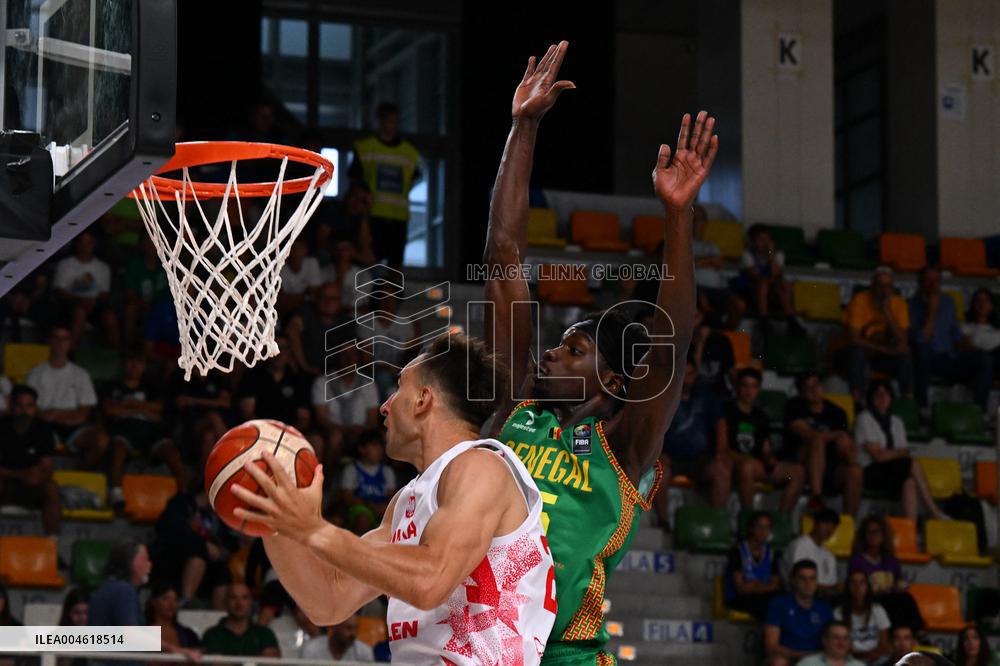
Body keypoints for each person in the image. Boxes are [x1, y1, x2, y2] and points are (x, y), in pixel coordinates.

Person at [483, 41, 716, 664]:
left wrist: (678, 218)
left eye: (574, 348)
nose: (552, 357)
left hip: (567, 654)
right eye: (558, 346)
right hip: (484, 644)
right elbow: (504, 256)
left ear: (612, 381)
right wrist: (523, 128)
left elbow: (671, 345)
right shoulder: (514, 411)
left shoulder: (627, 446)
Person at [233, 332, 557, 664]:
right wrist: (274, 518)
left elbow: (431, 581)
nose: (385, 406)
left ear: (423, 400)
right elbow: (328, 601)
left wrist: (315, 531)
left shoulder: (481, 466)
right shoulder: (406, 501)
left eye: (398, 388)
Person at [854, 381, 947, 520]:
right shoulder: (864, 418)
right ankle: (933, 511)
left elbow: (903, 452)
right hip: (869, 471)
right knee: (912, 464)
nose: (882, 397)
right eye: (878, 394)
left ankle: (911, 529)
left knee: (909, 482)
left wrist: (891, 453)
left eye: (885, 394)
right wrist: (897, 453)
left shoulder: (897, 421)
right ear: (871, 398)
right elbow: (878, 457)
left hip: (892, 470)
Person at [104, 351, 186, 508]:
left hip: (150, 429)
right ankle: (115, 492)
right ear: (123, 363)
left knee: (172, 451)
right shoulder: (112, 386)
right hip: (124, 428)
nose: (134, 366)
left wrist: (127, 406)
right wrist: (143, 410)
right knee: (118, 448)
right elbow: (109, 410)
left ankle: (183, 493)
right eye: (130, 361)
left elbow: (159, 410)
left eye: (139, 362)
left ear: (144, 366)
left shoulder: (152, 387)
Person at [655, 354, 731, 517]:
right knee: (659, 471)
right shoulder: (663, 397)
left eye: (690, 375)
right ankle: (663, 522)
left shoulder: (706, 396)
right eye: (683, 375)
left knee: (721, 471)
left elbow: (721, 425)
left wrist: (720, 453)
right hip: (670, 458)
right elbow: (652, 428)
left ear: (695, 374)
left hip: (700, 458)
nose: (686, 379)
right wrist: (658, 453)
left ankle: (716, 522)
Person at [348, 101, 422, 269]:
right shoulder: (366, 148)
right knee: (370, 266)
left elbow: (414, 179)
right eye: (388, 121)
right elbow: (355, 179)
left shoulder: (409, 152)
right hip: (372, 216)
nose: (391, 126)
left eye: (395, 121)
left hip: (398, 218)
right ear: (380, 121)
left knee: (395, 268)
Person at [908, 267, 992, 412]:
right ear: (920, 282)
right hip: (927, 358)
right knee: (922, 351)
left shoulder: (948, 302)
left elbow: (956, 336)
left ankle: (979, 411)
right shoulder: (909, 305)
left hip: (949, 357)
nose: (933, 285)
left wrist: (968, 345)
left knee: (984, 358)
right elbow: (920, 340)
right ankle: (921, 408)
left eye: (937, 281)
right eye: (929, 280)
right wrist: (932, 311)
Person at [26, 325, 107, 469]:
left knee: (101, 441)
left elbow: (83, 414)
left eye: (64, 339)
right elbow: (31, 408)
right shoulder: (35, 373)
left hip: (73, 427)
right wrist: (61, 416)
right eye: (56, 337)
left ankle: (80, 474)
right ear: (49, 341)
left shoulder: (81, 375)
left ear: (70, 343)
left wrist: (56, 414)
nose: (60, 342)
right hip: (43, 425)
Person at [783, 371, 863, 515]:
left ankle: (848, 522)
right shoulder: (794, 406)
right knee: (817, 442)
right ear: (801, 393)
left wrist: (846, 448)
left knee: (855, 471)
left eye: (816, 384)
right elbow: (807, 434)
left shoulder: (837, 412)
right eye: (808, 387)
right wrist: (837, 434)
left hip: (831, 466)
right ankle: (816, 497)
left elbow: (845, 446)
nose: (814, 390)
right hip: (801, 463)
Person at [727, 367, 806, 512]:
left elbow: (766, 448)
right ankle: (749, 517)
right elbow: (722, 449)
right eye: (745, 385)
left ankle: (782, 518)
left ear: (758, 390)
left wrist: (770, 458)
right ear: (738, 386)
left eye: (754, 386)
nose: (749, 391)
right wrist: (745, 460)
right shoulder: (727, 411)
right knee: (747, 466)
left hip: (758, 465)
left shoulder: (761, 416)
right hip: (736, 464)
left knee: (797, 472)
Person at [152, 481, 237, 609]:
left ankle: (220, 614)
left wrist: (223, 550)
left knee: (222, 571)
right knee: (198, 554)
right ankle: (186, 601)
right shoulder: (181, 503)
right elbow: (171, 531)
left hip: (208, 565)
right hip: (175, 559)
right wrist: (203, 545)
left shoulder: (217, 513)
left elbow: (229, 539)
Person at [842, 267, 913, 403]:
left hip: (882, 356)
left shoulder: (899, 303)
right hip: (861, 351)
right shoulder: (860, 299)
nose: (884, 290)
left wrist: (887, 311)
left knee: (905, 356)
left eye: (888, 286)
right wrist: (883, 349)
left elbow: (903, 342)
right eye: (880, 285)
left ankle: (908, 400)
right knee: (856, 352)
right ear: (872, 285)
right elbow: (854, 338)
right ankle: (856, 400)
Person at [0, 385, 60, 535]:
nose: (24, 411)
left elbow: (47, 469)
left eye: (29, 406)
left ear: (35, 407)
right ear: (11, 406)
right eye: (19, 406)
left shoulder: (43, 429)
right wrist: (24, 474)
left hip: (31, 488)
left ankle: (52, 544)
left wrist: (36, 476)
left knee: (51, 488)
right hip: (5, 486)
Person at [848, 516, 923, 632]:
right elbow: (855, 583)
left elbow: (899, 581)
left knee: (905, 599)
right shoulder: (857, 560)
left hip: (889, 598)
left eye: (877, 531)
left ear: (884, 534)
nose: (873, 535)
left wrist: (899, 585)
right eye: (869, 531)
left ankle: (915, 634)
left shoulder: (891, 560)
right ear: (864, 535)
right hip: (869, 598)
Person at [52, 230, 119, 347]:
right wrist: (80, 300)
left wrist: (92, 301)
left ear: (94, 244)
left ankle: (116, 353)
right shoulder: (65, 264)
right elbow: (59, 290)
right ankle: (72, 351)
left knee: (110, 317)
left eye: (89, 243)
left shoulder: (103, 267)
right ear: (77, 243)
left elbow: (104, 293)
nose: (85, 246)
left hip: (95, 304)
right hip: (70, 303)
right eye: (83, 242)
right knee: (80, 313)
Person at [732, 224, 803, 334]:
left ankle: (791, 320)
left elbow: (775, 273)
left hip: (772, 293)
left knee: (782, 285)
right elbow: (755, 276)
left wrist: (770, 255)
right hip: (752, 293)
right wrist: (770, 279)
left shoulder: (778, 255)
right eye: (760, 239)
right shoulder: (748, 255)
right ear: (753, 242)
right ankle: (763, 320)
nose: (764, 243)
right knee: (763, 283)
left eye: (766, 239)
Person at [765, 560, 834, 666]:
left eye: (812, 579)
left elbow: (831, 643)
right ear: (793, 580)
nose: (808, 583)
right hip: (789, 658)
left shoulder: (825, 609)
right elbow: (771, 646)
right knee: (779, 662)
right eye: (803, 578)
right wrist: (802, 656)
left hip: (816, 661)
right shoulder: (779, 604)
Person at [692, 205, 745, 329]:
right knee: (705, 305)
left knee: (739, 305)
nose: (695, 223)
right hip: (696, 288)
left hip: (720, 288)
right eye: (692, 218)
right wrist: (707, 260)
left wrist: (696, 261)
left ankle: (727, 334)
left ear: (704, 223)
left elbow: (718, 262)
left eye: (699, 219)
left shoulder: (712, 246)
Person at [724, 511, 781, 620]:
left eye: (767, 527)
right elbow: (741, 588)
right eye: (759, 526)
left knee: (780, 601)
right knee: (771, 608)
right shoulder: (737, 551)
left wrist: (755, 585)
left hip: (763, 597)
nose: (763, 531)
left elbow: (775, 585)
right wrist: (764, 587)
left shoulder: (773, 553)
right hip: (740, 599)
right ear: (751, 528)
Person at [339, 429, 397, 534]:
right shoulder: (352, 469)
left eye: (381, 447)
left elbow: (392, 496)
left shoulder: (387, 471)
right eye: (374, 446)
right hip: (359, 508)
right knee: (363, 519)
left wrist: (384, 508)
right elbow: (347, 496)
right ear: (362, 449)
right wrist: (369, 506)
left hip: (381, 509)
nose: (379, 451)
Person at [201, 583, 280, 657]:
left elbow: (271, 662)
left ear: (251, 602)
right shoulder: (212, 634)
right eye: (233, 597)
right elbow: (216, 663)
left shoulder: (265, 633)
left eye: (244, 597)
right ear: (225, 602)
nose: (239, 603)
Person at [88, 540, 151, 626]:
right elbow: (131, 635)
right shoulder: (123, 590)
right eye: (145, 559)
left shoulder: (107, 587)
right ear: (130, 561)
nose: (149, 565)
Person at [834, 571, 891, 665]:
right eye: (853, 583)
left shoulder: (877, 610)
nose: (858, 587)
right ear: (848, 587)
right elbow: (838, 645)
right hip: (849, 660)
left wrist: (871, 656)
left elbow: (884, 644)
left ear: (867, 586)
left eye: (862, 583)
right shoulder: (838, 613)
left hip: (877, 660)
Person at [782, 509, 841, 598]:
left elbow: (832, 584)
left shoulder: (829, 555)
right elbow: (799, 581)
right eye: (825, 524)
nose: (829, 530)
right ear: (816, 524)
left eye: (833, 527)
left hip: (825, 599)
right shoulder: (800, 544)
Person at [146, 581, 202, 661]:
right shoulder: (142, 632)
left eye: (175, 599)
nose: (171, 604)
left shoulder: (187, 634)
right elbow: (123, 639)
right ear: (153, 601)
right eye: (165, 598)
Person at [299, 613, 374, 662]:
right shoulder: (312, 649)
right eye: (348, 628)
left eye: (355, 628)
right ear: (334, 627)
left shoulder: (364, 651)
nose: (353, 633)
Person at [278, 239, 323, 315]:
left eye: (300, 248)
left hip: (309, 311)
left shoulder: (312, 263)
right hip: (286, 312)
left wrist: (290, 298)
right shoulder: (279, 267)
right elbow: (280, 300)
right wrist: (305, 296)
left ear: (306, 250)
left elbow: (314, 295)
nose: (296, 252)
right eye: (293, 247)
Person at [795, 620, 866, 666]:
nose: (841, 642)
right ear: (825, 641)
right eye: (836, 637)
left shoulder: (859, 665)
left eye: (845, 638)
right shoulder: (808, 663)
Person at [963, 288, 1000, 373]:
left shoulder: (997, 331)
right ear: (973, 305)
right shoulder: (964, 327)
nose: (982, 304)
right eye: (978, 300)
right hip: (971, 365)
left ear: (991, 305)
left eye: (986, 300)